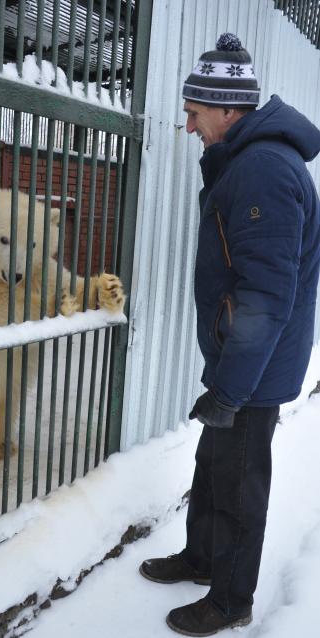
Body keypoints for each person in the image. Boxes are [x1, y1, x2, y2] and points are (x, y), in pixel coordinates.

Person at [139, 33, 320, 636]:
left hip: (254, 368)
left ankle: (231, 600)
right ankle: (202, 559)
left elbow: (267, 296)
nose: (188, 125)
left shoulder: (265, 170)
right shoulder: (248, 160)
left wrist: (231, 390)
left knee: (240, 483)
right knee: (212, 463)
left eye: (194, 113)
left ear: (226, 109)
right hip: (237, 358)